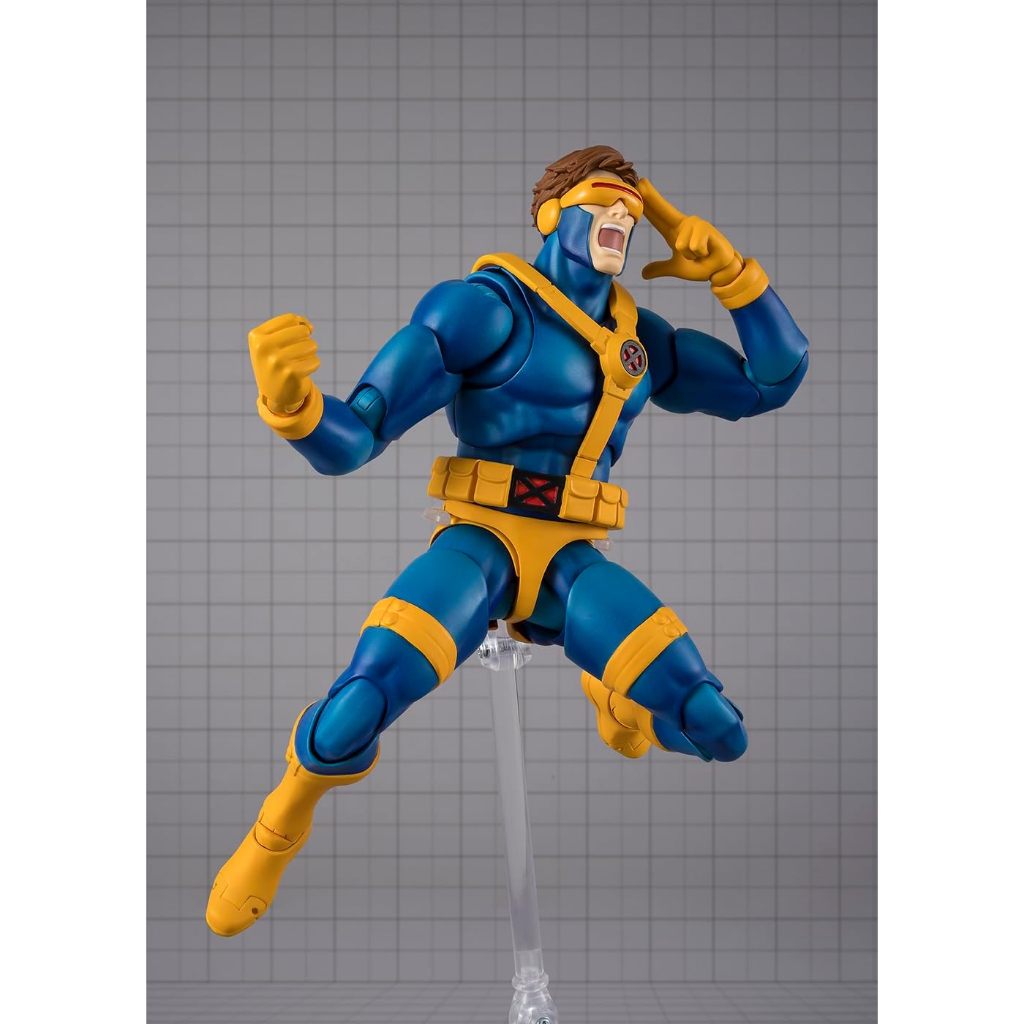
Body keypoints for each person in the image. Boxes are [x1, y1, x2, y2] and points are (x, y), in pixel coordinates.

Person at [206, 144, 809, 937]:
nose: (622, 215)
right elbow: (352, 441)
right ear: (552, 213)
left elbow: (771, 381)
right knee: (363, 699)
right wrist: (294, 407)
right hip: (480, 543)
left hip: (570, 562)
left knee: (716, 727)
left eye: (634, 209)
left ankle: (621, 703)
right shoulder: (483, 311)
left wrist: (733, 274)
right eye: (603, 199)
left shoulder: (641, 341)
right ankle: (282, 817)